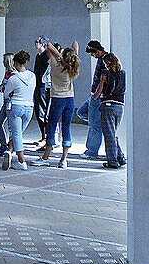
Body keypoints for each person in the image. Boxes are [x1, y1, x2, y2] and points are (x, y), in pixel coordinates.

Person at [39, 40, 80, 168]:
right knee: (66, 128)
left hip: (57, 99)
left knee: (51, 125)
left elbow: (50, 49)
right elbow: (75, 44)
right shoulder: (73, 67)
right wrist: (69, 54)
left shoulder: (56, 66)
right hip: (70, 100)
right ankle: (64, 159)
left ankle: (46, 156)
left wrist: (56, 53)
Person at [0, 50, 36, 171]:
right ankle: (9, 151)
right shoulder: (32, 76)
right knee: (18, 133)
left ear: (16, 63)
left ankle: (21, 160)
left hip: (16, 107)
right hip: (29, 107)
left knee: (16, 134)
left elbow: (6, 93)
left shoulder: (13, 79)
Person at [77, 40, 107, 159]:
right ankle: (97, 123)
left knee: (94, 125)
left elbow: (102, 81)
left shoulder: (105, 60)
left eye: (93, 53)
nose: (92, 56)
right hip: (93, 94)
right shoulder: (101, 59)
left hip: (97, 96)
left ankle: (91, 151)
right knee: (81, 113)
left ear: (98, 51)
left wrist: (96, 96)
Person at [99, 52, 127, 169]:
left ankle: (112, 161)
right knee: (113, 133)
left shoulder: (109, 73)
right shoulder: (123, 73)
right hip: (120, 105)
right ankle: (120, 157)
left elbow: (109, 88)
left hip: (109, 104)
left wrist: (102, 94)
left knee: (109, 135)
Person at [0, 53, 15, 156]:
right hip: (5, 100)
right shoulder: (7, 73)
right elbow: (3, 87)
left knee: (11, 126)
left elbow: (8, 88)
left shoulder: (13, 74)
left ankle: (11, 147)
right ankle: (3, 145)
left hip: (10, 101)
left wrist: (4, 88)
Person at [32, 38, 51, 147]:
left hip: (43, 86)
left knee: (42, 110)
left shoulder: (46, 56)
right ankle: (43, 135)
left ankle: (46, 136)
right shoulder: (38, 56)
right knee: (39, 110)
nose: (35, 43)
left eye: (38, 42)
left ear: (43, 44)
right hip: (38, 85)